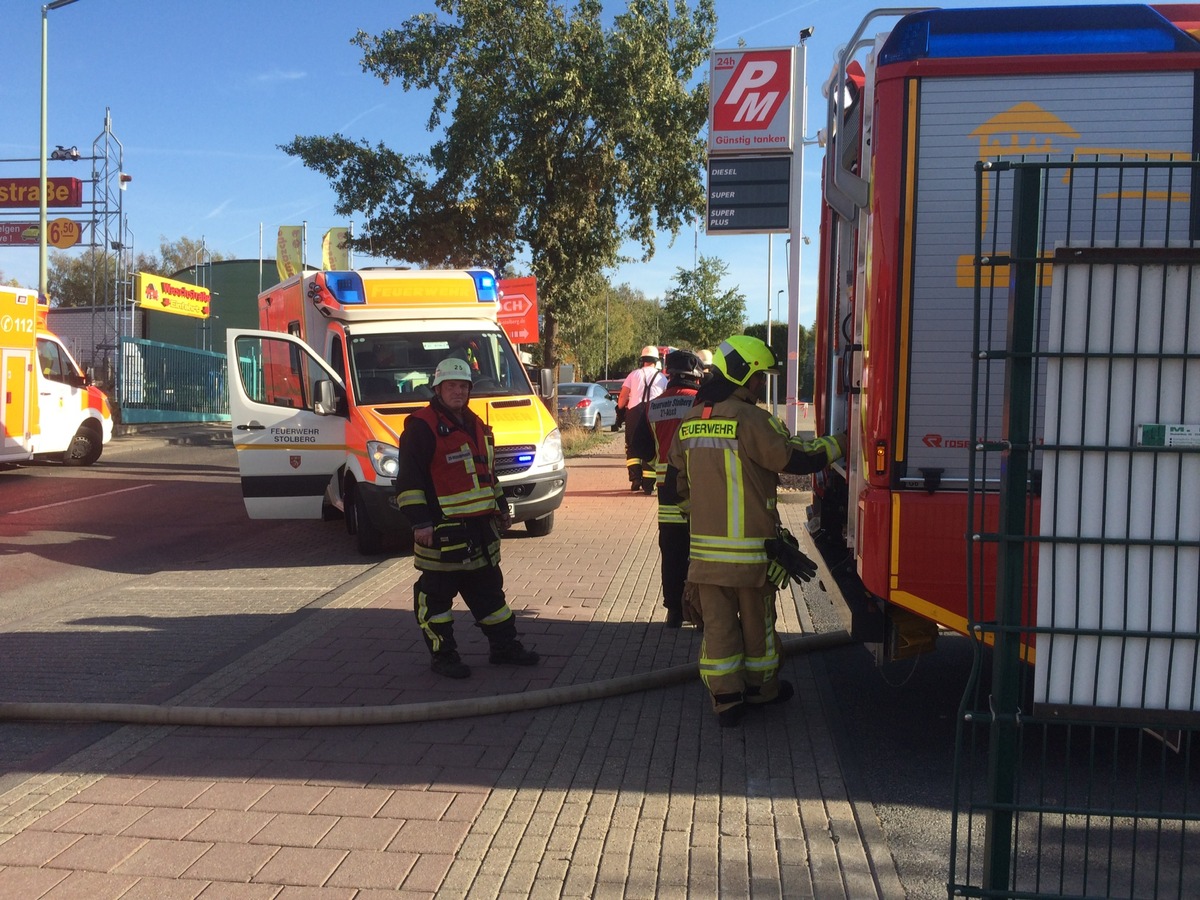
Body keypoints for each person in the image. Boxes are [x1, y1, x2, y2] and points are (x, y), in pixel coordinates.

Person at [662, 335, 846, 727]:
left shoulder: (690, 422)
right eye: (759, 377)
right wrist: (842, 444)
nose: (761, 386)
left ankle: (726, 699)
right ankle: (763, 691)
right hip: (752, 555)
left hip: (706, 559)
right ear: (743, 373)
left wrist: (704, 517)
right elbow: (798, 458)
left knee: (718, 627)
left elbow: (672, 486)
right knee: (758, 626)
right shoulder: (751, 421)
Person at [394, 357, 540, 679]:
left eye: (463, 386)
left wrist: (502, 508)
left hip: (480, 533)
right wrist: (420, 523)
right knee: (436, 601)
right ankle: (444, 657)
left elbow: (488, 476)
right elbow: (409, 482)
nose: (458, 391)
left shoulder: (476, 425)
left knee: (491, 597)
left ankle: (504, 648)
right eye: (451, 386)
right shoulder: (420, 427)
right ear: (438, 388)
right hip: (442, 535)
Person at [630, 349, 704, 627]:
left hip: (667, 492)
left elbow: (639, 446)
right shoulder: (701, 403)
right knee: (701, 551)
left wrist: (660, 464)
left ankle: (674, 611)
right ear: (696, 375)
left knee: (672, 552)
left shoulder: (653, 406)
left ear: (669, 375)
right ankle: (701, 613)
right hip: (700, 490)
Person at [617, 345, 668, 492]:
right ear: (656, 360)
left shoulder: (633, 374)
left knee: (632, 446)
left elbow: (622, 397)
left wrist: (620, 410)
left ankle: (635, 479)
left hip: (634, 413)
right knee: (651, 446)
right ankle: (648, 483)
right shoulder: (662, 378)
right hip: (654, 413)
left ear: (643, 360)